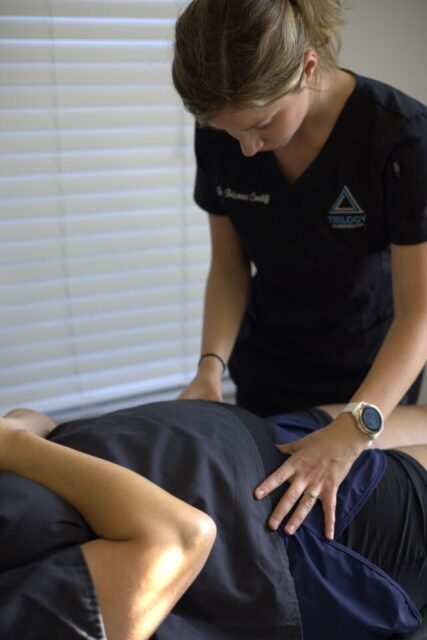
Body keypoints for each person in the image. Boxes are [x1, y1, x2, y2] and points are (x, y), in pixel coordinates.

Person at [172, 0, 427, 539]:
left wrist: (356, 427)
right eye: (226, 131)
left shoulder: (401, 137)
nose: (245, 149)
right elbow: (230, 269)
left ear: (307, 68)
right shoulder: (222, 131)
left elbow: (420, 312)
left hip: (368, 375)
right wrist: (210, 369)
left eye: (261, 124)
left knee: (348, 531)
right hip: (268, 365)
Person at [0, 399, 426, 639]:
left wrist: (15, 430)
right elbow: (178, 540)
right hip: (288, 528)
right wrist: (14, 443)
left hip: (249, 435)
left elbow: (43, 425)